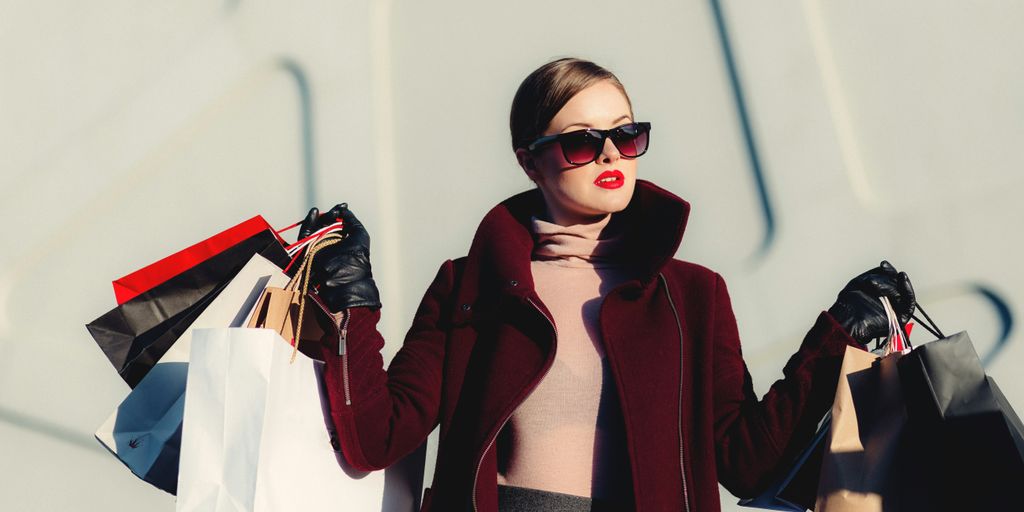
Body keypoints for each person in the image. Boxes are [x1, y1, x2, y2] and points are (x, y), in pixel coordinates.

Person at [296, 57, 916, 512]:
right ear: (528, 159)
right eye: (581, 144)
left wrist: (835, 338)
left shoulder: (693, 296)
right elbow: (375, 438)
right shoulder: (472, 284)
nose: (612, 156)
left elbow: (746, 464)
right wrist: (351, 301)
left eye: (626, 134)